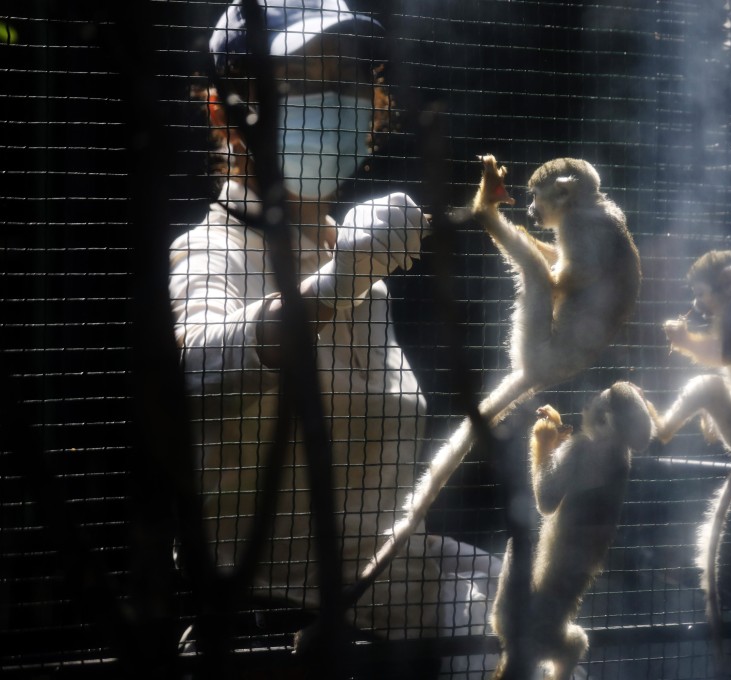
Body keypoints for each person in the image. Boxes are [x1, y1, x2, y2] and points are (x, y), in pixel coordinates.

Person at [168, 0, 499, 666]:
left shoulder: (363, 272)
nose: (331, 103)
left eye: (346, 82)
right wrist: (332, 284)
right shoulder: (213, 250)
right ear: (223, 112)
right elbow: (199, 366)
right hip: (259, 628)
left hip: (377, 615)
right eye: (296, 84)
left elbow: (373, 516)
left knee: (538, 606)